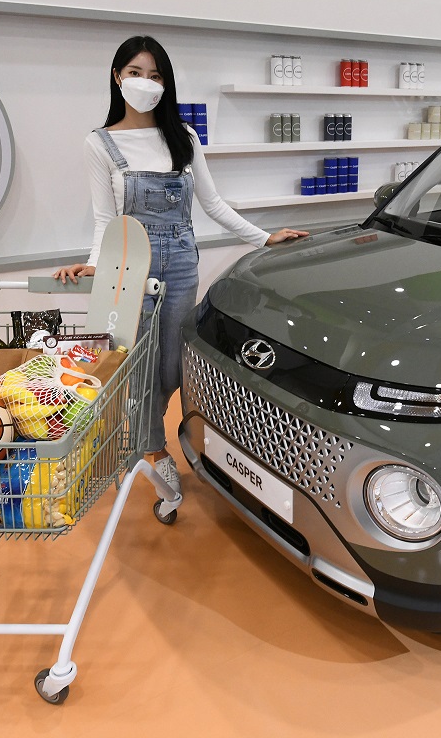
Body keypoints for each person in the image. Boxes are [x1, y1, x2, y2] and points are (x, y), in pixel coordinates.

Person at [55, 35, 307, 494]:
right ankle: (154, 449)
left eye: (155, 76)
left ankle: (142, 432)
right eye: (136, 73)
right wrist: (94, 264)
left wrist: (264, 237)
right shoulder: (100, 144)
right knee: (140, 364)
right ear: (117, 77)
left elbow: (213, 204)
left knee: (173, 366)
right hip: (129, 266)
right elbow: (105, 219)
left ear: (165, 84)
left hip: (182, 263)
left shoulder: (183, 137)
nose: (145, 83)